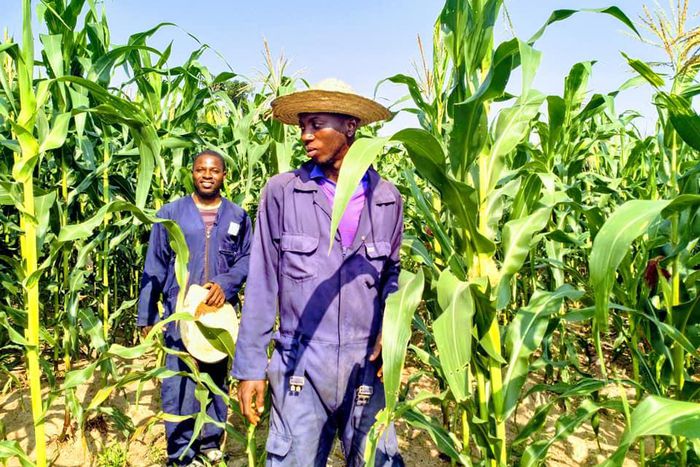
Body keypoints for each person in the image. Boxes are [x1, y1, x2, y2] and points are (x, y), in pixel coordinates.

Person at [233, 79, 404, 466]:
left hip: (367, 367)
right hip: (300, 366)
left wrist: (391, 335)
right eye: (302, 127)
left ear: (350, 127)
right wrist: (249, 368)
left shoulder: (387, 198)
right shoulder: (282, 192)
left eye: (316, 125)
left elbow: (393, 277)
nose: (305, 136)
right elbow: (262, 284)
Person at [138, 150, 252, 467]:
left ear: (224, 175)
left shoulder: (238, 216)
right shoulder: (171, 213)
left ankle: (210, 443)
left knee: (215, 380)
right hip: (180, 313)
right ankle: (180, 453)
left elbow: (247, 260)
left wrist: (226, 284)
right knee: (178, 383)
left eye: (214, 170)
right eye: (200, 169)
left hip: (219, 313)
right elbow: (155, 264)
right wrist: (147, 314)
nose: (206, 174)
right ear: (192, 173)